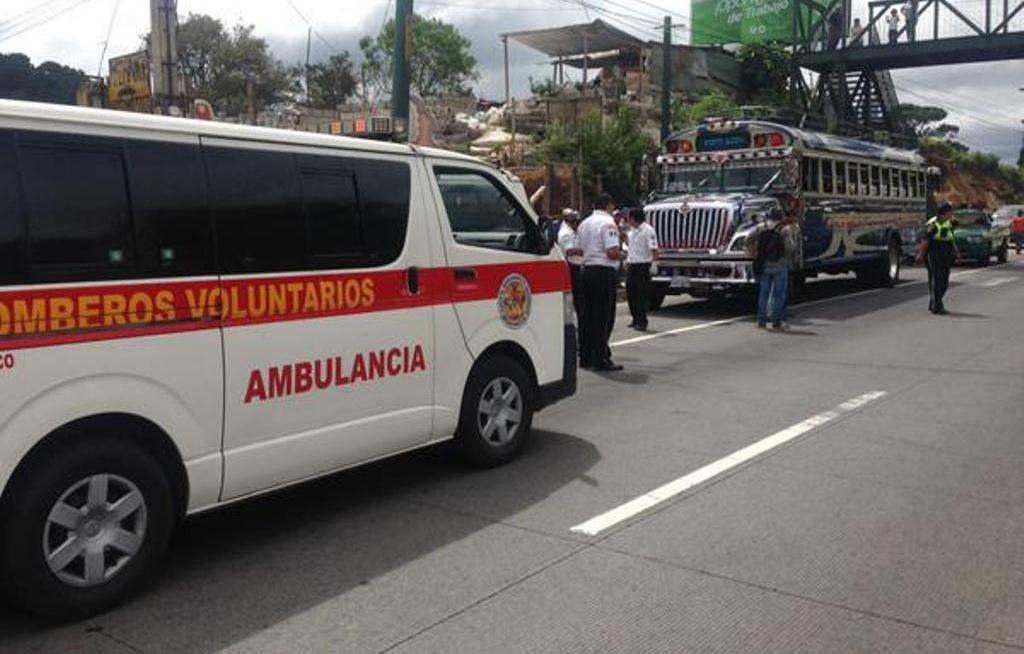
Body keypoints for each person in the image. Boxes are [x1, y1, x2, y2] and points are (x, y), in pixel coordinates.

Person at [576, 193, 626, 371]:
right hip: (603, 272)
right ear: (609, 206)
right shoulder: (608, 223)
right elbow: (612, 252)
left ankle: (585, 356)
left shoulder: (584, 223)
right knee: (603, 317)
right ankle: (601, 357)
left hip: (587, 271)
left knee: (586, 315)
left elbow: (580, 250)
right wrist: (624, 255)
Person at [748, 208, 798, 330]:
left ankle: (761, 321)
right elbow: (790, 248)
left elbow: (748, 240)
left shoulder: (760, 227)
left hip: (764, 264)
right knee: (778, 295)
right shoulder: (784, 229)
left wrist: (754, 254)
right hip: (780, 265)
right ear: (780, 217)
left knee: (763, 294)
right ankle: (777, 322)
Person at [916, 202, 959, 314]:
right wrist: (920, 255)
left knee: (944, 282)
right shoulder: (933, 224)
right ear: (944, 213)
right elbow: (925, 240)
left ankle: (934, 302)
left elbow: (951, 237)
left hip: (946, 254)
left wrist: (956, 251)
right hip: (934, 254)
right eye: (950, 212)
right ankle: (937, 306)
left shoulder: (949, 223)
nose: (951, 214)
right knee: (936, 280)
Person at [625, 207, 659, 332]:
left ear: (634, 218)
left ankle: (642, 321)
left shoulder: (648, 230)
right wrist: (628, 262)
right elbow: (631, 249)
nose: (628, 220)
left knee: (641, 295)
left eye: (629, 218)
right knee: (631, 293)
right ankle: (635, 318)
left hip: (643, 265)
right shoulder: (632, 231)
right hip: (632, 264)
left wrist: (654, 263)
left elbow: (654, 249)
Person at [556, 208, 585, 326]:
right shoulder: (566, 233)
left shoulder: (570, 231)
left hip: (574, 266)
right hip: (571, 267)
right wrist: (584, 250)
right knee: (576, 298)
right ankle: (577, 323)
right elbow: (570, 251)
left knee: (578, 298)